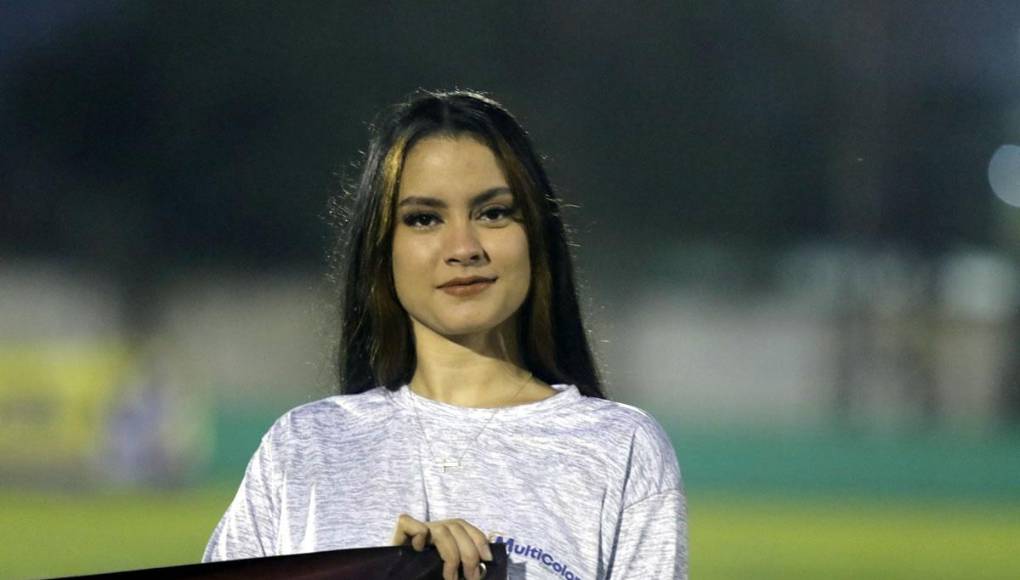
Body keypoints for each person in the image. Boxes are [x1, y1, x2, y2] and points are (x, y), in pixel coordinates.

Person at [203, 90, 687, 580]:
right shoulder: (303, 447)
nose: (463, 248)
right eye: (424, 219)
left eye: (493, 212)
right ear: (382, 250)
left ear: (537, 235)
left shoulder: (619, 448)